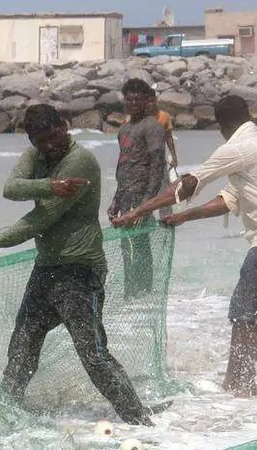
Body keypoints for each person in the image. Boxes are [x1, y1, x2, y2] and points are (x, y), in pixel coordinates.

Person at [0, 104, 156, 426]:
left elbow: (40, 219)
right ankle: (5, 416)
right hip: (46, 269)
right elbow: (10, 189)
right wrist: (49, 185)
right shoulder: (36, 155)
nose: (51, 146)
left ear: (64, 126)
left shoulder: (81, 161)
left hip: (81, 271)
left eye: (54, 136)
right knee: (21, 348)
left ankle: (140, 419)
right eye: (42, 141)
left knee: (93, 355)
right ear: (32, 140)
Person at [111, 95, 257, 398]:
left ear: (221, 125)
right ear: (247, 114)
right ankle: (238, 382)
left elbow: (188, 184)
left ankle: (242, 386)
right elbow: (229, 199)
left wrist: (139, 210)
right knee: (248, 311)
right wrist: (185, 216)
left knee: (246, 312)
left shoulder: (238, 147)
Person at [111, 78, 168, 300]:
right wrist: (116, 199)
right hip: (125, 194)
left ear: (147, 101)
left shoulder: (152, 127)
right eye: (129, 98)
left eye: (138, 99)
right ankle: (130, 292)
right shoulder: (124, 129)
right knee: (127, 246)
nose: (133, 102)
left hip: (141, 196)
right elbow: (123, 165)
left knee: (141, 246)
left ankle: (144, 293)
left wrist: (146, 204)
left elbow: (157, 166)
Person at [147, 88, 179, 171]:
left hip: (160, 160)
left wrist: (174, 157)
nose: (151, 104)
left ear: (156, 99)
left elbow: (169, 137)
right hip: (143, 161)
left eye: (152, 100)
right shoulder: (141, 118)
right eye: (148, 101)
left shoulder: (164, 116)